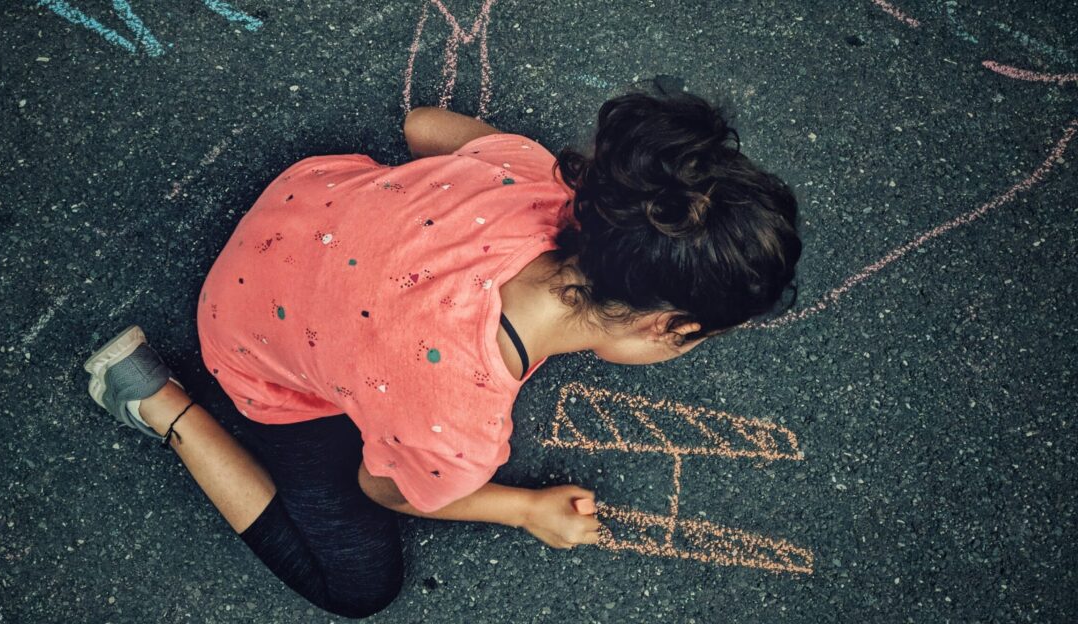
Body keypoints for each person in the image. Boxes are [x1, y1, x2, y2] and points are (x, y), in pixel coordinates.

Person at [82, 83, 803, 619]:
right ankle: (157, 399)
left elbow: (422, 125)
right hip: (250, 353)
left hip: (296, 217)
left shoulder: (534, 177)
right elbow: (382, 487)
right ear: (663, 329)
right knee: (358, 588)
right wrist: (524, 509)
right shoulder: (454, 422)